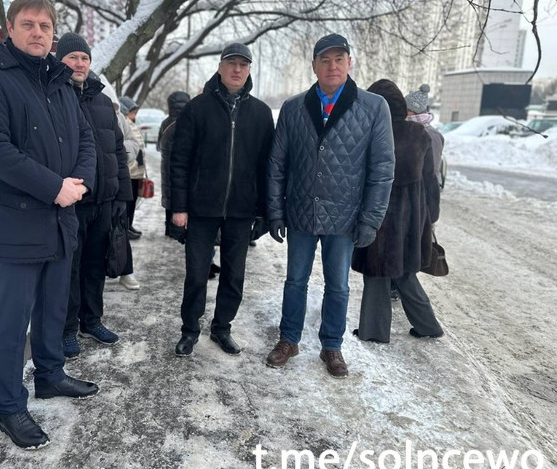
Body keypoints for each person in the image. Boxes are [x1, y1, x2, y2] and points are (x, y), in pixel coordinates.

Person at [0, 0, 99, 450]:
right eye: (28, 24)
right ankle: (10, 407)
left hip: (59, 220)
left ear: (53, 34)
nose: (37, 32)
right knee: (12, 319)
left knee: (53, 308)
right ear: (10, 27)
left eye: (45, 26)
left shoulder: (59, 81)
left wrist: (78, 183)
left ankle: (51, 374)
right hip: (12, 225)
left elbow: (85, 140)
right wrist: (55, 187)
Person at [265, 33, 395, 377]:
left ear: (349, 63)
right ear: (314, 66)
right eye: (325, 60)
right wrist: (275, 211)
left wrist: (371, 219)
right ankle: (288, 339)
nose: (332, 66)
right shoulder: (293, 108)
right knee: (295, 280)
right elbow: (277, 164)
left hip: (345, 216)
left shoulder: (373, 107)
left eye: (339, 59)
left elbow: (382, 168)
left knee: (338, 285)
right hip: (301, 213)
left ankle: (332, 346)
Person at [170, 42, 274, 357]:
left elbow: (267, 166)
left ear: (249, 70)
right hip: (201, 207)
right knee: (197, 274)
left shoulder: (261, 113)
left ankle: (222, 327)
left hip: (241, 210)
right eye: (231, 63)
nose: (237, 69)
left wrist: (263, 210)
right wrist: (179, 206)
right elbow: (180, 161)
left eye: (243, 64)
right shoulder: (197, 108)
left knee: (234, 275)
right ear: (220, 67)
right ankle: (190, 330)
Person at [58, 33, 133, 360]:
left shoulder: (103, 101)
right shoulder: (55, 96)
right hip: (72, 202)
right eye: (72, 57)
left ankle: (91, 321)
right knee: (70, 268)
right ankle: (67, 327)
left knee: (94, 265)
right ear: (60, 61)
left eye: (84, 58)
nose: (79, 63)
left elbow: (117, 150)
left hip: (104, 201)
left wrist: (122, 196)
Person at [352, 79, 443, 342]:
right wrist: (430, 216)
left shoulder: (370, 132)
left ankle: (374, 332)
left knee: (376, 273)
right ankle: (428, 326)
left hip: (378, 215)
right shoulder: (419, 134)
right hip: (412, 218)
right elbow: (430, 181)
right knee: (405, 274)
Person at [158, 91, 190, 239]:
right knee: (180, 192)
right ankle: (180, 228)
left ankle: (168, 227)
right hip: (183, 165)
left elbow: (159, 145)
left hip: (166, 164)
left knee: (169, 192)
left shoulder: (165, 122)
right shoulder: (189, 122)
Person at [406, 84, 445, 189]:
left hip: (422, 191)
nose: (403, 113)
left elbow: (432, 171)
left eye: (406, 109)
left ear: (415, 110)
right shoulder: (410, 129)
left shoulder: (431, 135)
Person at [117, 96, 146, 243]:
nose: (135, 115)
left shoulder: (131, 123)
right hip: (129, 169)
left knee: (133, 200)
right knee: (128, 201)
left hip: (136, 170)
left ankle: (130, 224)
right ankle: (125, 226)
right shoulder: (122, 121)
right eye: (133, 112)